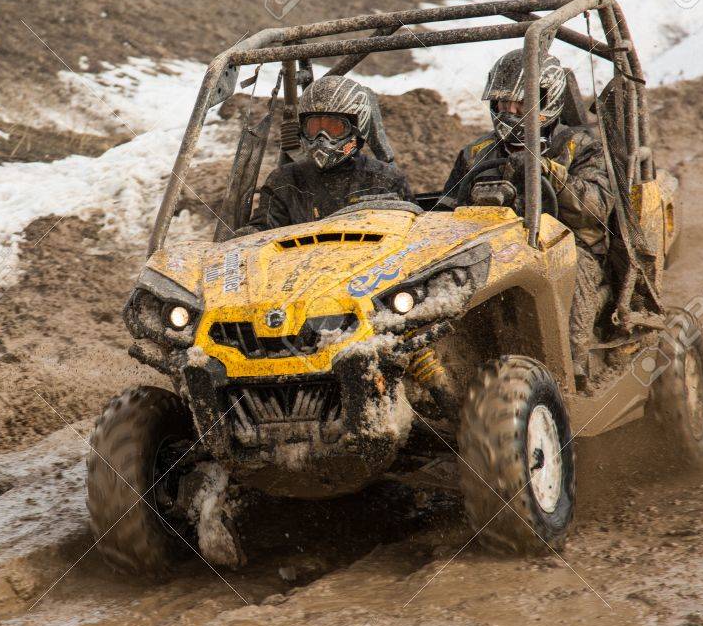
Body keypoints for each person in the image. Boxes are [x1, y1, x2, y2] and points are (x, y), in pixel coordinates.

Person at [443, 49, 613, 379]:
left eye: (520, 104)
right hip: (494, 251)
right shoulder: (476, 153)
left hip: (568, 246)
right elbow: (446, 214)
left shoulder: (579, 144)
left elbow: (596, 206)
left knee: (572, 270)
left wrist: (548, 171)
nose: (509, 112)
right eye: (501, 104)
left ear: (546, 100)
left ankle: (572, 375)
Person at [245, 76, 412, 232]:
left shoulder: (385, 179)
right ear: (302, 130)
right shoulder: (284, 180)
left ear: (357, 129)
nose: (321, 137)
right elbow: (261, 235)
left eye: (333, 128)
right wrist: (248, 233)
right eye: (314, 128)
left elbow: (409, 233)